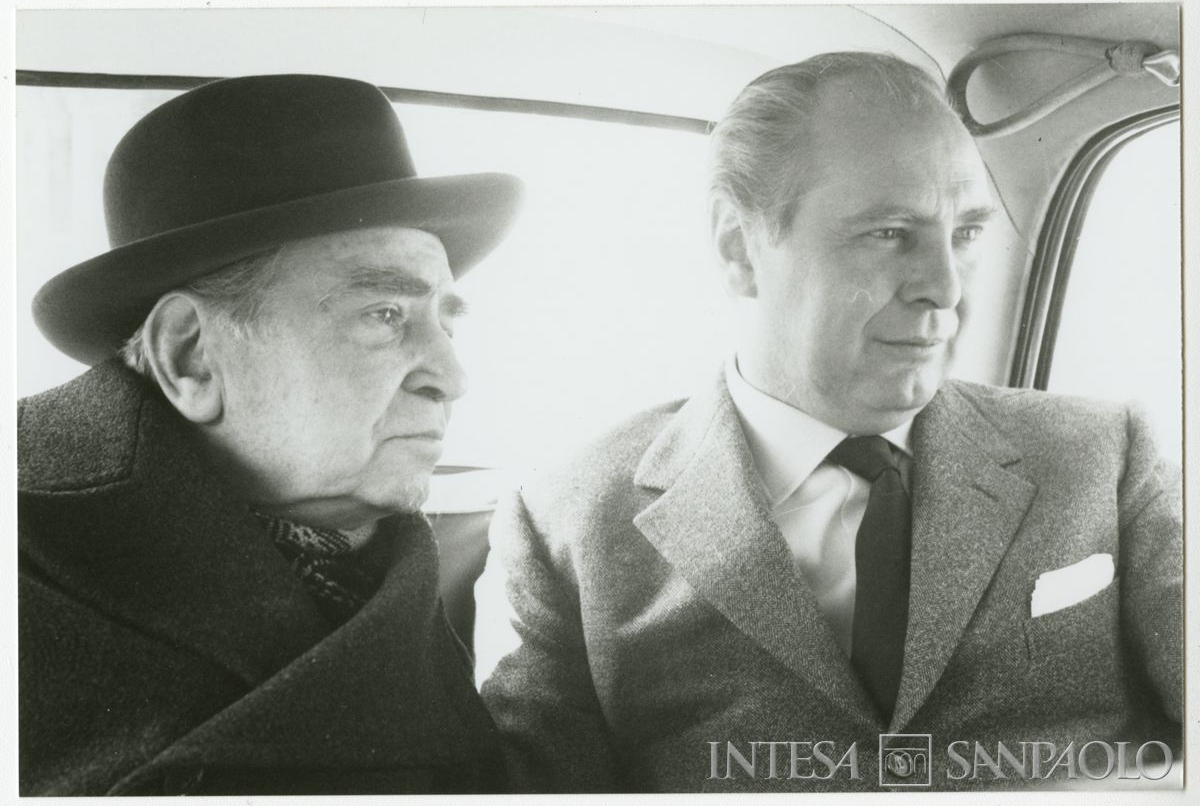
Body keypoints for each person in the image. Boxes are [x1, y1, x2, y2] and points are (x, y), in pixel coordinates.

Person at [473, 52, 1182, 793]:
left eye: (967, 233)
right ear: (739, 249)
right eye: (888, 233)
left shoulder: (1102, 455)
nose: (944, 287)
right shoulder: (569, 523)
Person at [18, 74, 523, 795]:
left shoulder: (390, 569)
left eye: (447, 317)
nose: (451, 374)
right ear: (190, 355)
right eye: (384, 313)